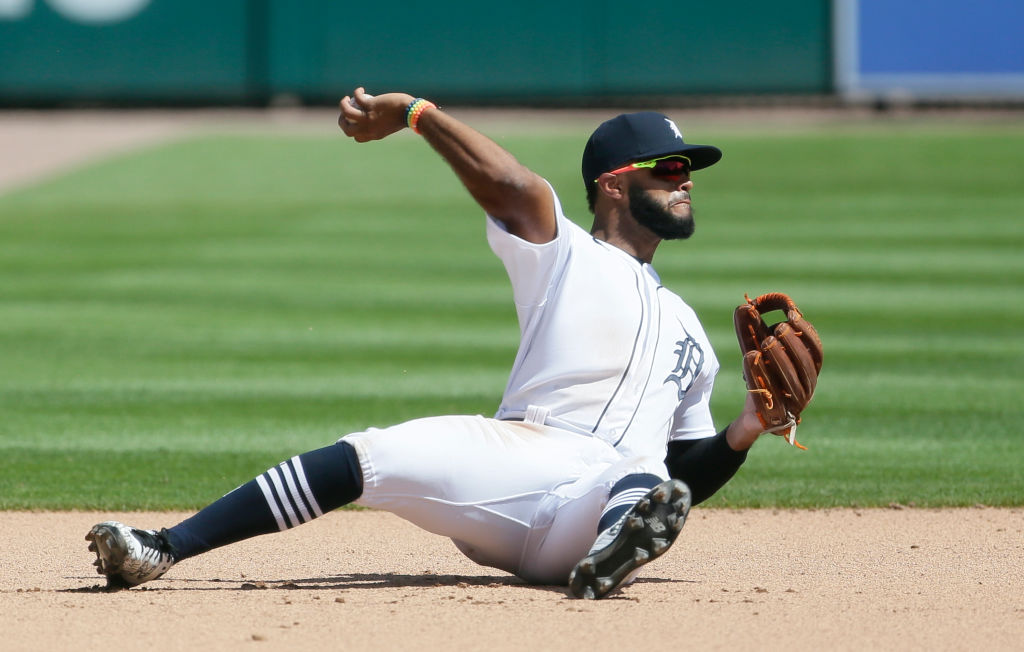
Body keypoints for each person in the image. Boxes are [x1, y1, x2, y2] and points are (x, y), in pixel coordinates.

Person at [86, 88, 767, 600]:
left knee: (642, 480)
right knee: (370, 455)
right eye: (670, 167)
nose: (686, 181)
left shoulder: (693, 338)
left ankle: (617, 546)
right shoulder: (564, 255)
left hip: (593, 512)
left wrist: (747, 428)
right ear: (615, 183)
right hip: (522, 463)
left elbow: (683, 482)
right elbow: (514, 186)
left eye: (688, 171)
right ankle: (162, 547)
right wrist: (418, 114)